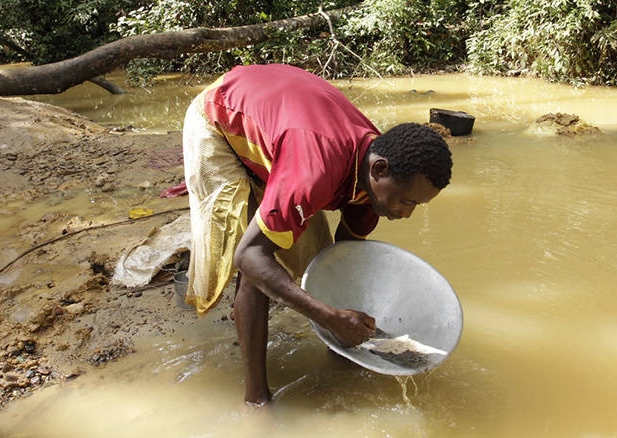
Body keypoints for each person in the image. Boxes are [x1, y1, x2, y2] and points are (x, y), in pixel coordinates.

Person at [181, 63, 452, 407]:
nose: (407, 213)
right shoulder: (315, 172)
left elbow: (343, 256)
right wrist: (327, 316)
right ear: (379, 170)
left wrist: (350, 331)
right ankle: (256, 397)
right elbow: (250, 258)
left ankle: (331, 349)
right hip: (219, 117)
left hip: (284, 127)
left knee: (311, 254)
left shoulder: (377, 176)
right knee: (253, 256)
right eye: (407, 201)